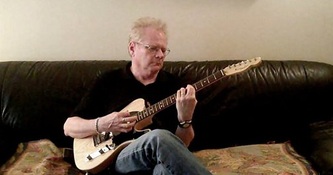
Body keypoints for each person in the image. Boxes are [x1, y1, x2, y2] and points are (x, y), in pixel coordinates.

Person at [63, 16, 212, 175]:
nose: (160, 55)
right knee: (158, 137)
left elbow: (180, 147)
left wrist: (185, 119)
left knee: (164, 170)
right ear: (132, 48)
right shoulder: (109, 81)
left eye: (163, 50)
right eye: (153, 48)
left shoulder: (175, 86)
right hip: (116, 159)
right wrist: (102, 124)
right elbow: (69, 126)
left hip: (157, 162)